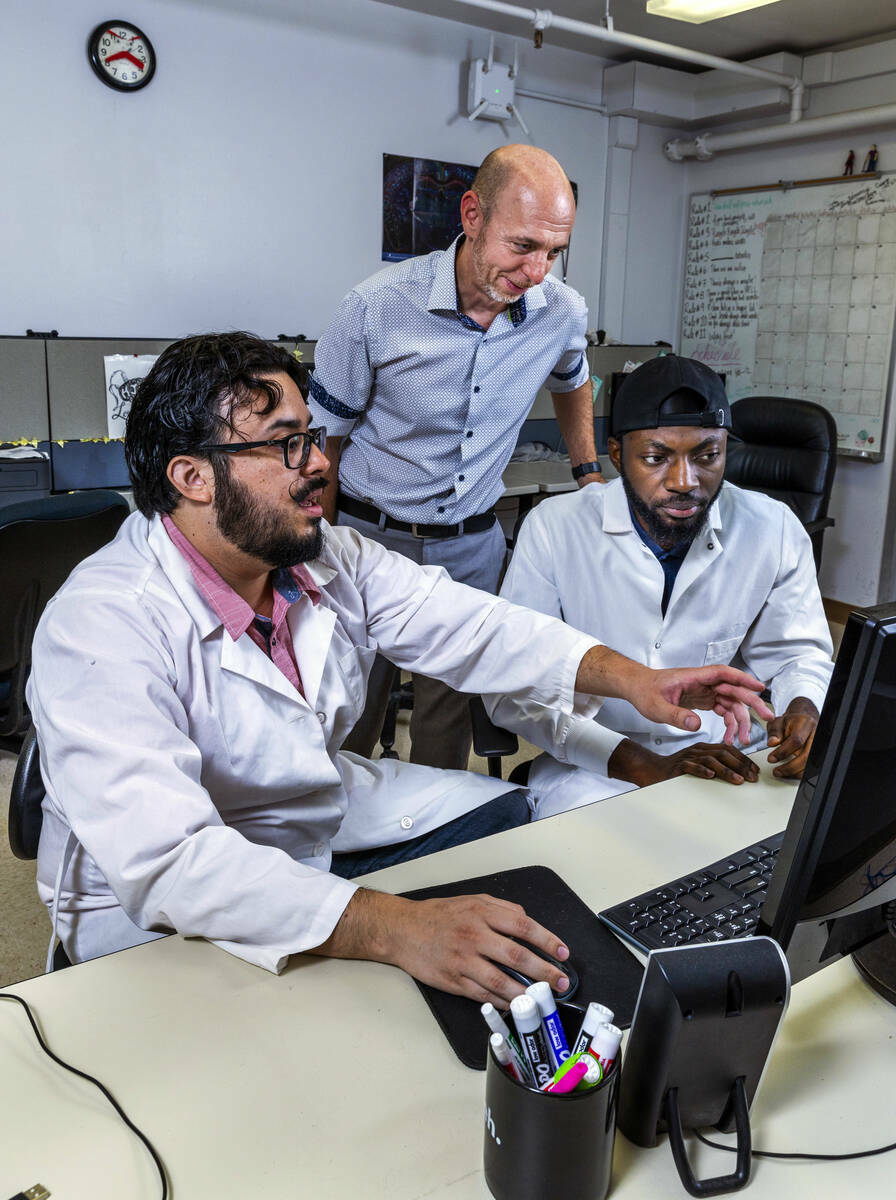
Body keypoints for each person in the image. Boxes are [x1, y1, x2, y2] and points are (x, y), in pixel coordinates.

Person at [28, 333, 773, 1002]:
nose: (320, 463)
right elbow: (171, 862)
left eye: (312, 437)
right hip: (156, 911)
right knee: (322, 1020)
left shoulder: (326, 559)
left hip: (314, 822)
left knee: (514, 816)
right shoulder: (101, 624)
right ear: (192, 477)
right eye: (287, 445)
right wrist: (395, 929)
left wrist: (634, 679)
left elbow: (476, 628)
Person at [309, 144, 605, 771]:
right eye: (523, 245)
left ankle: (433, 849)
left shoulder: (561, 312)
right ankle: (335, 844)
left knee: (447, 716)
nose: (537, 272)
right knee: (350, 702)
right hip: (368, 537)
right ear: (472, 215)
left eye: (554, 252)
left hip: (472, 544)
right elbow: (324, 443)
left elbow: (574, 378)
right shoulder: (376, 306)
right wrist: (318, 545)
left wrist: (588, 475)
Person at [488, 355, 834, 818]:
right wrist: (644, 764)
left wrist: (804, 709)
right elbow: (517, 687)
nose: (684, 482)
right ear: (616, 454)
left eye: (708, 456)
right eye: (656, 458)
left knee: (780, 858)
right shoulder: (554, 529)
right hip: (598, 765)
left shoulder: (773, 527)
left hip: (727, 754)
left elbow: (798, 654)